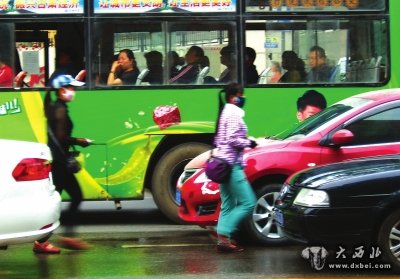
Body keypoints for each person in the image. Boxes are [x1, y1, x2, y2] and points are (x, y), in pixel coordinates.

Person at [36, 74, 92, 253]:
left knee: (57, 201)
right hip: (60, 164)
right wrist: (79, 140)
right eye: (71, 88)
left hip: (56, 161)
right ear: (61, 90)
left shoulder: (53, 106)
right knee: (74, 197)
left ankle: (48, 240)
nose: (73, 91)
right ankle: (57, 239)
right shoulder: (60, 110)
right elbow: (61, 138)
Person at [214, 83, 257, 252]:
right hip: (231, 165)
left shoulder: (225, 111)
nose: (244, 98)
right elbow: (233, 139)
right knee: (249, 202)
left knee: (228, 203)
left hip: (223, 163)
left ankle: (223, 240)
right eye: (242, 94)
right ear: (235, 97)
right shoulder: (233, 112)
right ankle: (225, 231)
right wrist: (249, 142)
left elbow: (220, 140)